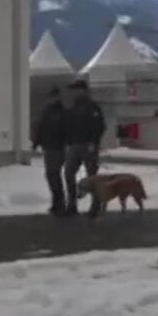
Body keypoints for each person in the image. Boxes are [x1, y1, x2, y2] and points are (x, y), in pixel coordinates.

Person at [64, 79, 106, 215]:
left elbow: (99, 126)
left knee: (92, 176)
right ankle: (72, 204)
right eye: (73, 90)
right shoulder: (73, 108)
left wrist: (94, 142)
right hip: (75, 145)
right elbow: (68, 127)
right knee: (69, 173)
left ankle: (95, 205)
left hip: (88, 145)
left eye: (76, 90)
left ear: (83, 90)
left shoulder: (92, 107)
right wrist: (68, 142)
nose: (74, 93)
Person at [30, 86, 67, 216]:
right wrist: (35, 143)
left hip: (58, 147)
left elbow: (66, 130)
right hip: (48, 147)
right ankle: (56, 202)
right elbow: (40, 128)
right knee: (51, 175)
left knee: (54, 174)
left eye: (53, 97)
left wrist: (65, 144)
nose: (51, 99)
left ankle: (60, 202)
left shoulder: (62, 112)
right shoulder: (46, 112)